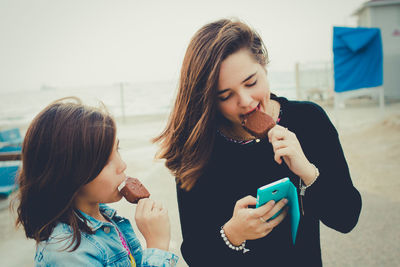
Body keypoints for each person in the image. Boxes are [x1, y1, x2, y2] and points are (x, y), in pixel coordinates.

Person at [154, 19, 362, 266]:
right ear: (209, 99)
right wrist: (232, 234)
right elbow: (196, 253)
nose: (245, 101)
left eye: (251, 82)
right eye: (225, 95)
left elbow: (346, 218)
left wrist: (307, 170)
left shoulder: (309, 120)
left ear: (263, 65)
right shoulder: (197, 148)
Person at [15, 97, 178, 267]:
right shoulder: (66, 253)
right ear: (69, 173)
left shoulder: (106, 219)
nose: (122, 165)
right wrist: (157, 246)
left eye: (117, 149)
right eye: (105, 160)